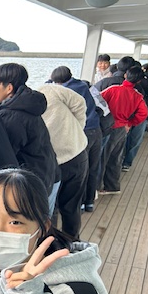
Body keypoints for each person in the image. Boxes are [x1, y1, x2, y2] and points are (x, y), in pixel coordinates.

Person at [0, 63, 59, 214]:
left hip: (36, 182)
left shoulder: (13, 117)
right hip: (49, 172)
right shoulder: (26, 104)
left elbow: (6, 155)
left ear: (9, 88)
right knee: (45, 220)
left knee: (34, 223)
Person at [38, 80, 88, 239]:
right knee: (71, 206)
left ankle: (52, 246)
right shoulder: (50, 90)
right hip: (76, 154)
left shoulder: (15, 109)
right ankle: (72, 242)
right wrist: (77, 129)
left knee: (50, 209)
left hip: (53, 164)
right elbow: (80, 103)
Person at [50, 66, 102, 213]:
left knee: (81, 171)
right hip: (96, 130)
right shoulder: (83, 85)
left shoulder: (65, 92)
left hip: (83, 132)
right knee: (93, 168)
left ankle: (79, 204)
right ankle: (89, 202)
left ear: (58, 82)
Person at [100, 66, 148, 194]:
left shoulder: (113, 89)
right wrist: (130, 123)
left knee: (101, 157)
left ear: (125, 75)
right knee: (116, 157)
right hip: (122, 128)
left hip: (107, 127)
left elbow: (97, 101)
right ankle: (112, 186)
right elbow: (144, 113)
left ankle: (95, 187)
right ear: (139, 81)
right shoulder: (137, 96)